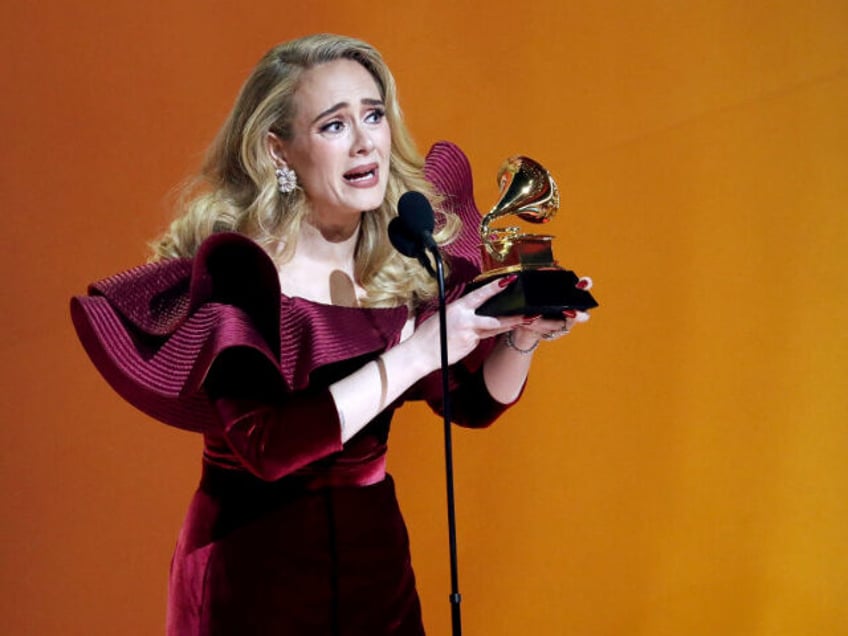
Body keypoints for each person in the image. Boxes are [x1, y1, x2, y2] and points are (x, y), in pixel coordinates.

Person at [71, 33, 591, 635]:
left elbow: (469, 404)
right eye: (333, 126)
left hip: (375, 564)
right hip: (254, 572)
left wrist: (520, 335)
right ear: (278, 152)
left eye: (373, 114)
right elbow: (267, 447)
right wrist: (418, 350)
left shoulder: (401, 254)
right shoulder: (242, 273)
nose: (366, 139)